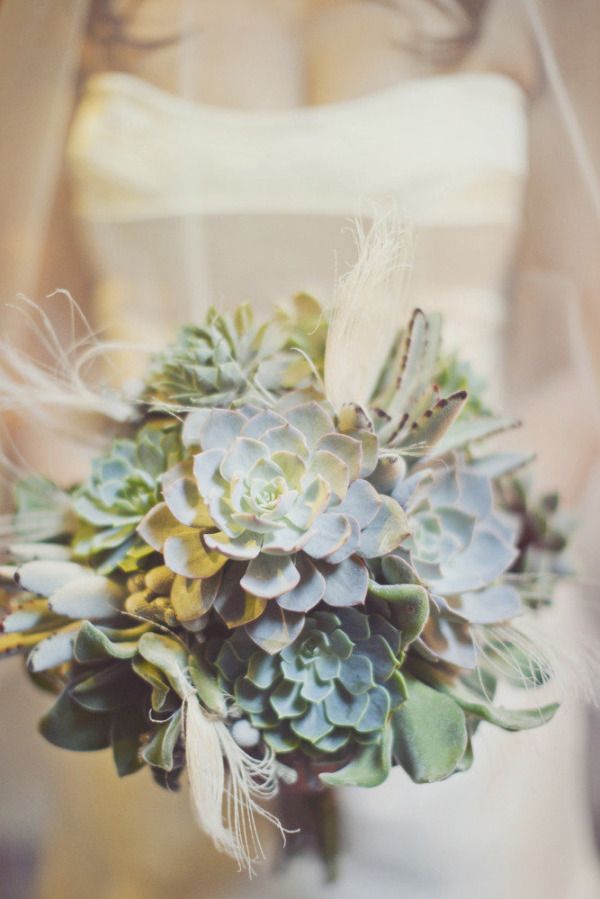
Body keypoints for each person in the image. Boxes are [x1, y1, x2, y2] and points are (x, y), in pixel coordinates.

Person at [0, 2, 599, 897]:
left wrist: (436, 615)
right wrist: (150, 614)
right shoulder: (80, 17)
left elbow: (574, 360)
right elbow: (33, 343)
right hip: (148, 623)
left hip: (465, 619)